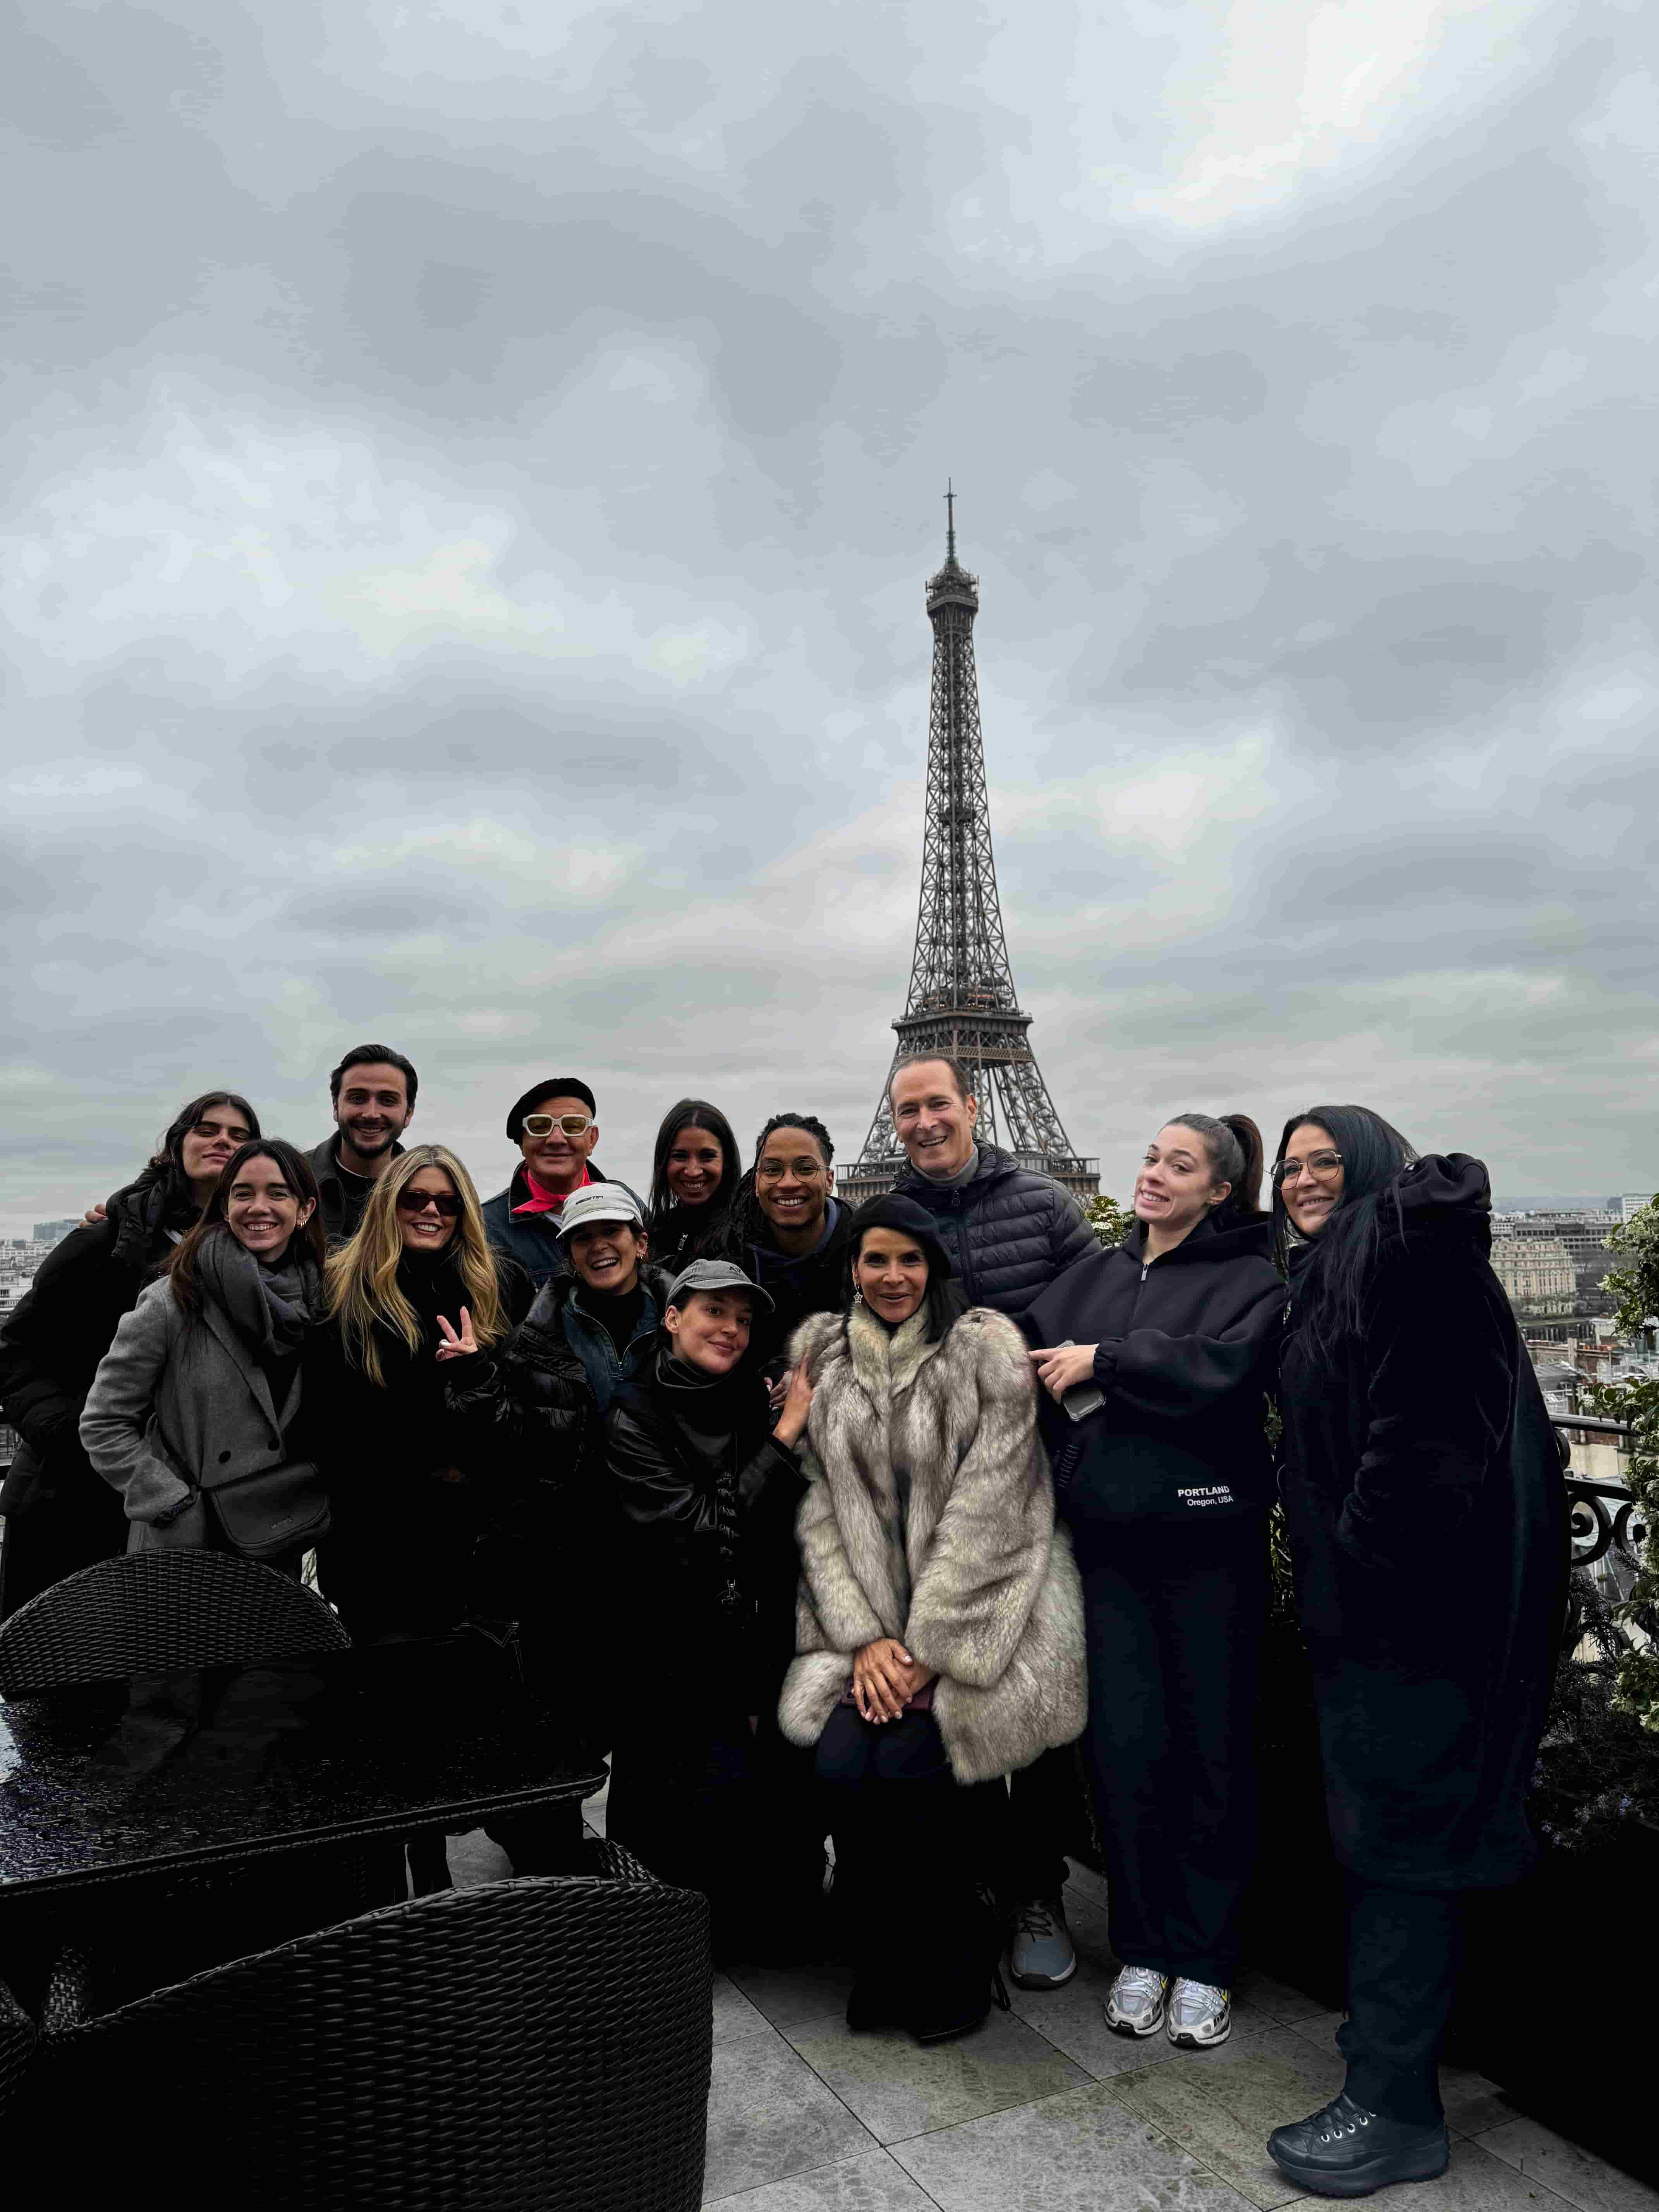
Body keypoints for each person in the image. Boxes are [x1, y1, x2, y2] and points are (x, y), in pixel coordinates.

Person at [1264, 1107, 1566, 2197]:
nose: (1301, 1182)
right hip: (1411, 1621)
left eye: (1323, 1163)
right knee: (1394, 1847)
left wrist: (1355, 1571)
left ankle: (1393, 2112)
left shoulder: (1408, 1260)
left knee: (1403, 1852)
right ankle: (1381, 2075)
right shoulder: (1362, 1264)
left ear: (1372, 1166)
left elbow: (1429, 1440)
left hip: (1423, 1628)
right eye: (1289, 1167)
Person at [780, 1194, 1087, 2040]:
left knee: (919, 1772)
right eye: (874, 1259)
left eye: (908, 1260)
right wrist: (865, 1638)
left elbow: (1000, 1511)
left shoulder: (986, 1351)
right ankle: (885, 1966)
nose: (891, 1276)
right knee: (845, 1767)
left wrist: (926, 1648)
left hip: (979, 1623)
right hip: (866, 1633)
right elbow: (817, 1511)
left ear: (935, 1267)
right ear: (853, 1266)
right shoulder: (821, 1355)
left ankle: (955, 1964)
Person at [1025, 1114, 1284, 2052]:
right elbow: (1028, 1367)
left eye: (1181, 1165)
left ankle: (1205, 1957)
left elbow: (1227, 1374)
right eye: (1151, 1157)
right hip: (1109, 1553)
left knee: (1211, 1753)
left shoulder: (1250, 1280)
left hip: (1210, 1550)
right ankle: (1143, 1946)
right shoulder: (1090, 1276)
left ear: (1220, 1189)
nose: (1155, 1175)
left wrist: (1109, 1363)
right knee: (1125, 1754)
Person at [888, 1052, 1097, 1988]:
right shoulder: (886, 1216)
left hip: (1038, 1491)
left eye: (938, 1105)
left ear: (972, 1105)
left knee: (1039, 1702)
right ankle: (978, 1879)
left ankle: (1036, 1889)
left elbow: (1102, 1310)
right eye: (907, 1111)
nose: (925, 1122)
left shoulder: (1047, 1206)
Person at [603, 1258, 817, 1957]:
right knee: (680, 1794)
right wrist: (785, 1433)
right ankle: (664, 1934)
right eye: (712, 1311)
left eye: (742, 1317)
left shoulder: (747, 1399)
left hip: (750, 1632)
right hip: (672, 1644)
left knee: (751, 1797)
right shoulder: (632, 1410)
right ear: (671, 1317)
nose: (729, 1328)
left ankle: (747, 1921)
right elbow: (697, 1530)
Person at [0, 1092, 262, 1616]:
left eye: (238, 1136)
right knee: (58, 1662)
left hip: (171, 1497)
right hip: (69, 1493)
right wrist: (65, 1430)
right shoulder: (111, 1235)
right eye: (207, 1130)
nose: (222, 1142)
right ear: (177, 1144)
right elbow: (15, 1347)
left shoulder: (248, 1251)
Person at [308, 1144, 530, 1646]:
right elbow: (326, 1420)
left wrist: (476, 1374)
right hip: (373, 1536)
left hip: (472, 1540)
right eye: (414, 1199)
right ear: (389, 1203)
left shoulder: (498, 1283)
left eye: (448, 1203)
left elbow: (520, 1420)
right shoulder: (341, 1287)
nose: (431, 1211)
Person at [80, 1140, 329, 1566]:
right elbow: (104, 1423)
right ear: (225, 1206)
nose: (258, 1206)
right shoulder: (173, 1300)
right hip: (189, 1542)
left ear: (304, 1210)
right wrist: (172, 1503)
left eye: (278, 1193)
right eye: (243, 1193)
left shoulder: (322, 1301)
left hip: (277, 1530)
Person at [483, 1077, 645, 1289]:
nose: (556, 1139)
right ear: (522, 1142)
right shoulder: (487, 1226)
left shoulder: (628, 1202)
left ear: (592, 1140)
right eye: (540, 1127)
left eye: (573, 1126)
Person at [733, 1112, 852, 1365]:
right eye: (773, 1170)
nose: (788, 1183)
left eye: (806, 1169)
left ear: (829, 1181)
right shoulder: (731, 1262)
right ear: (757, 1183)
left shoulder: (870, 1253)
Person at [309, 1044, 419, 1245]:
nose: (371, 1114)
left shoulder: (429, 1196)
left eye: (387, 1101)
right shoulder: (292, 1180)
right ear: (336, 1107)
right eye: (358, 1098)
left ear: (408, 1114)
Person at [646, 1100, 742, 1271]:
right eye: (680, 1156)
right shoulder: (651, 1235)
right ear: (663, 1162)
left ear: (726, 1162)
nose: (693, 1171)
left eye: (707, 1156)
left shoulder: (745, 1237)